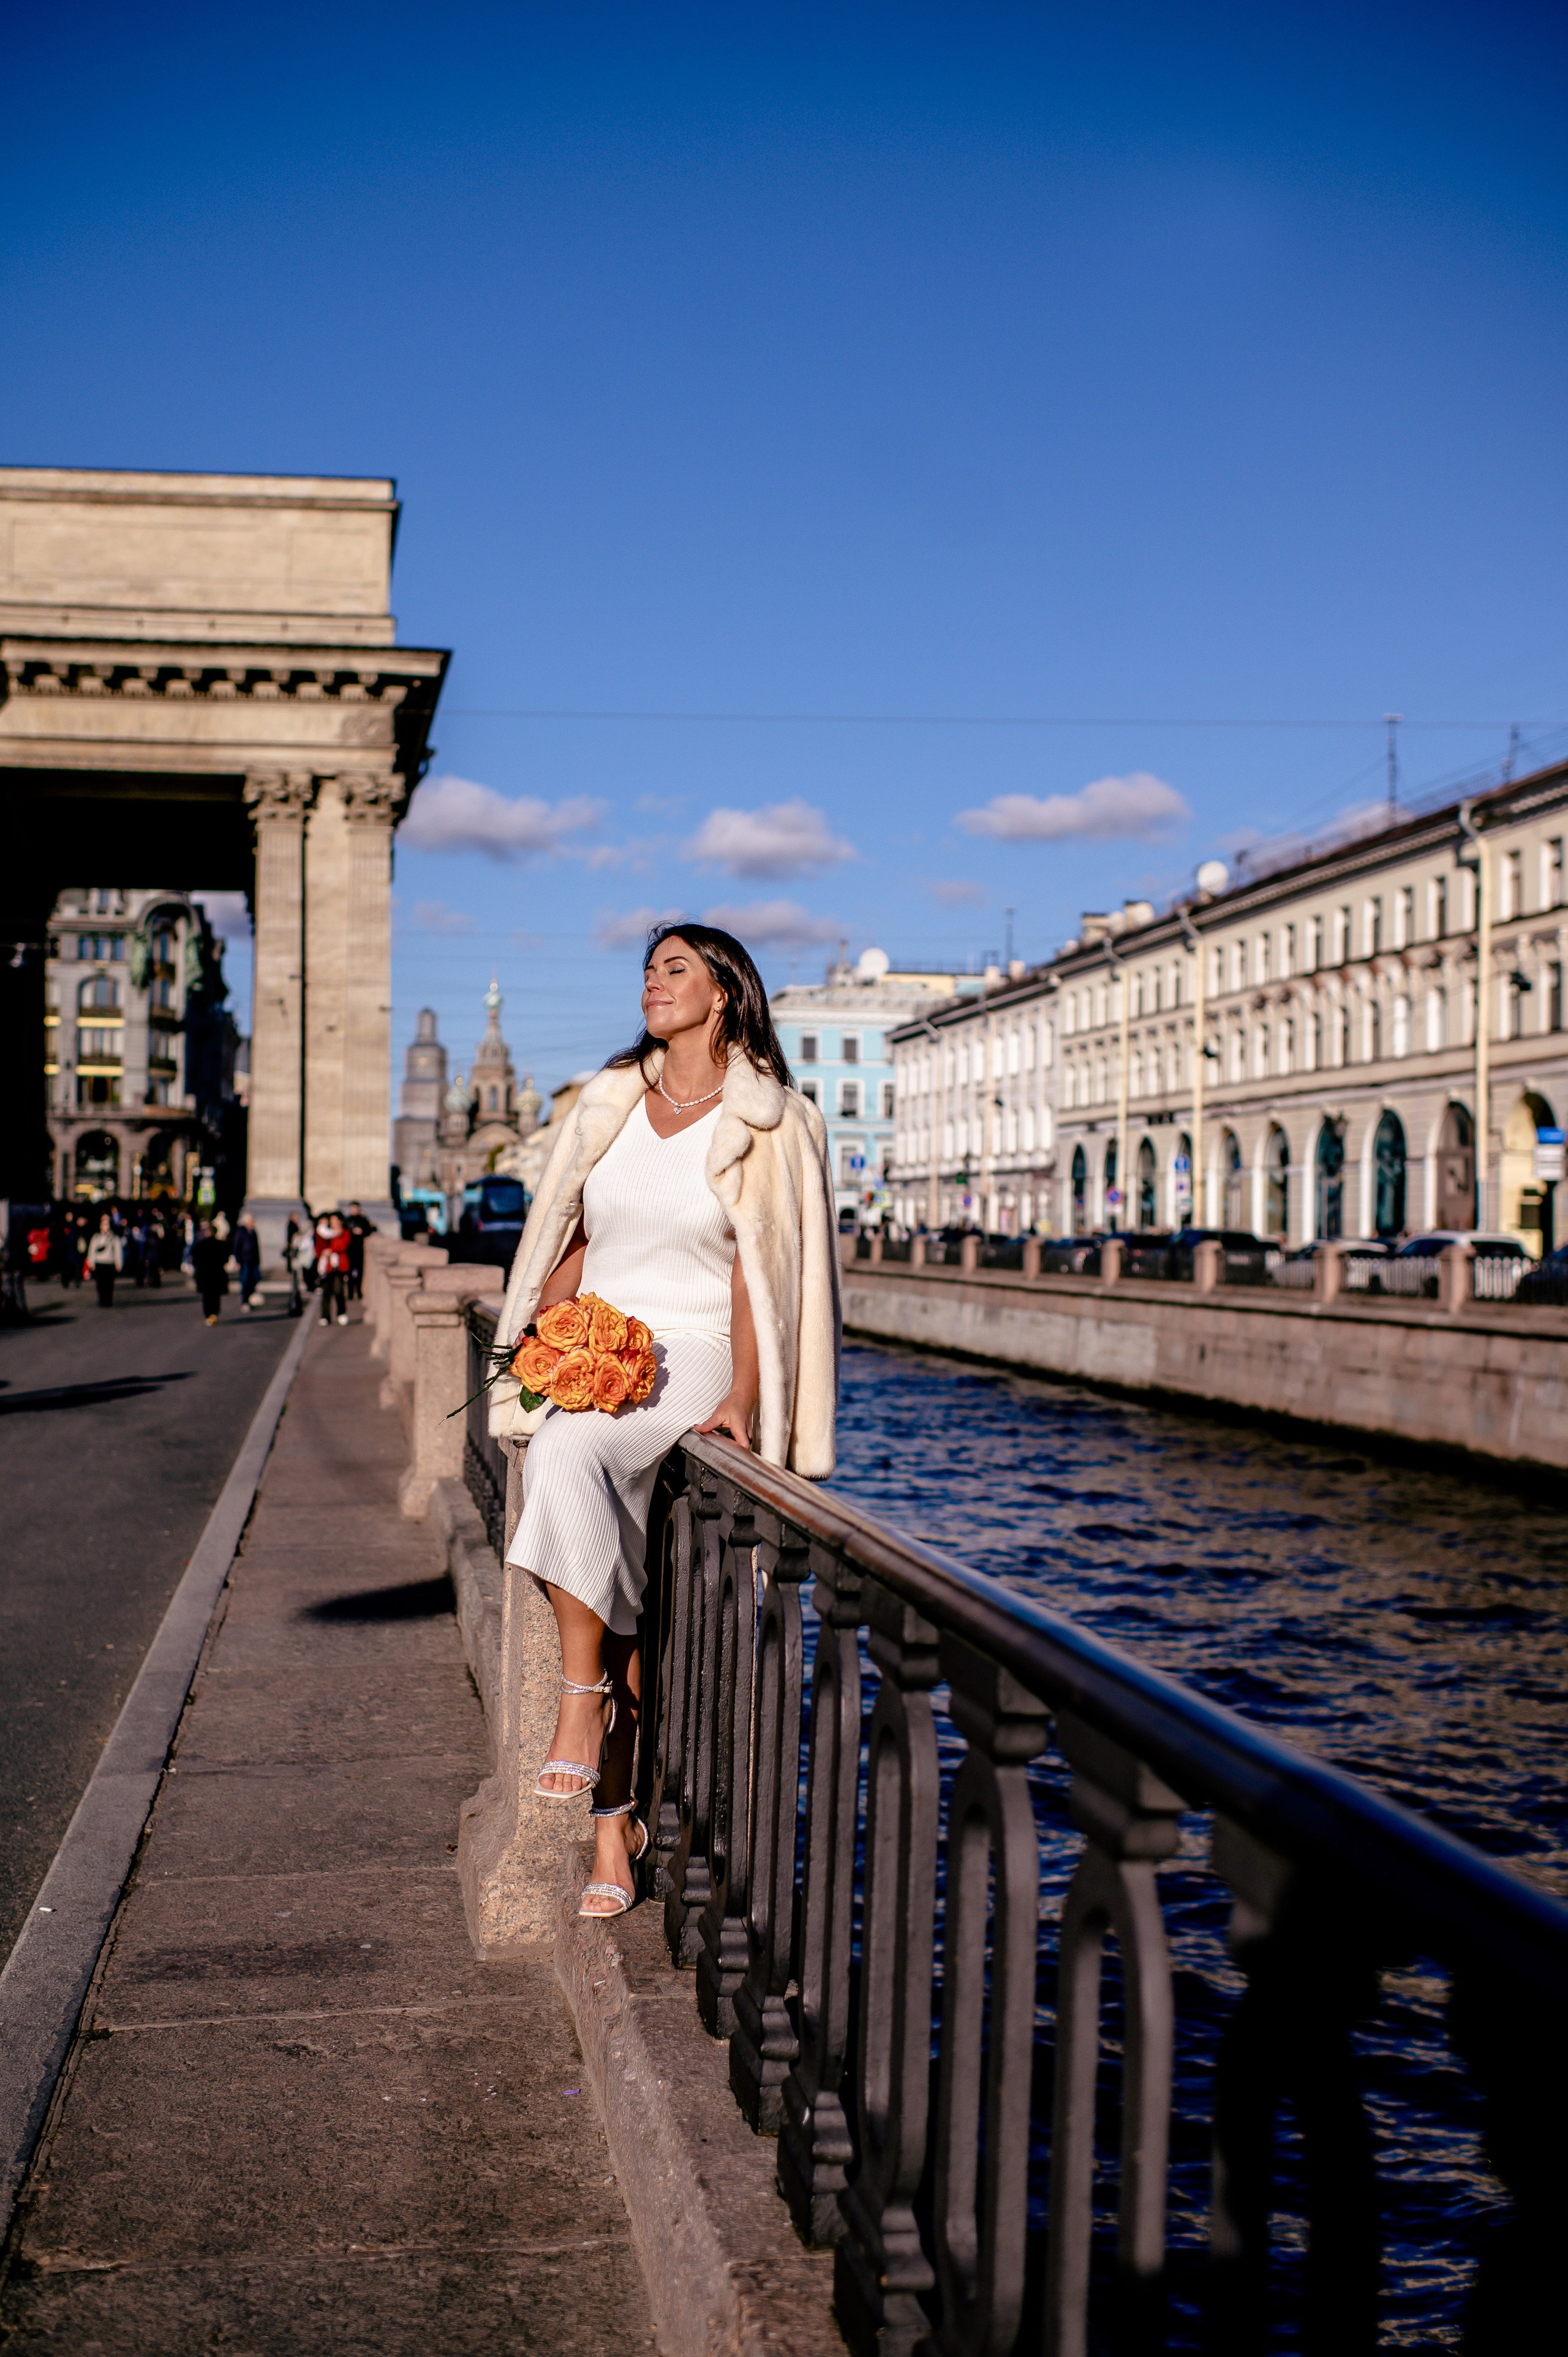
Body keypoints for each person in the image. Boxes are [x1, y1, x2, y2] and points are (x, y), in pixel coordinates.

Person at [490, 924, 839, 1918]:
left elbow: (762, 1274)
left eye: (674, 967)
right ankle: (610, 1803)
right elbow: (579, 1235)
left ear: (723, 991)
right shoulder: (610, 1103)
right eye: (646, 969)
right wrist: (537, 1336)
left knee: (573, 1465)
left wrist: (742, 1397)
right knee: (588, 1501)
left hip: (693, 1351)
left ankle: (584, 1719)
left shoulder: (770, 1119)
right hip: (604, 1334)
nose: (653, 982)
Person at [315, 1210, 350, 1326]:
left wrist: (331, 1250)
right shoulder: (328, 1233)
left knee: (338, 1290)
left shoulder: (344, 1233)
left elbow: (343, 1245)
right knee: (326, 1292)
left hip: (339, 1266)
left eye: (335, 1221)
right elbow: (320, 1245)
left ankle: (341, 1313)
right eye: (332, 1221)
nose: (333, 1223)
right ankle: (325, 1316)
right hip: (327, 1267)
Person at [191, 1221, 228, 1325]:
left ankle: (208, 1315)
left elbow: (195, 1260)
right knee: (216, 1296)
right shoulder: (221, 1245)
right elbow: (225, 1260)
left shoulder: (200, 1245)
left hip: (204, 1275)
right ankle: (214, 1314)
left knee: (207, 1297)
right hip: (217, 1274)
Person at [85, 1212, 123, 1307]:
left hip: (110, 1264)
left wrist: (119, 1264)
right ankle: (102, 1300)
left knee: (109, 1284)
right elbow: (92, 1251)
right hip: (99, 1264)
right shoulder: (96, 1237)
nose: (106, 1226)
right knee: (100, 1284)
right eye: (104, 1224)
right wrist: (91, 1263)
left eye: (107, 1224)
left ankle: (108, 1300)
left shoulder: (114, 1238)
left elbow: (118, 1252)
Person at [343, 1201, 376, 1300]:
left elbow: (369, 1231)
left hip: (360, 1248)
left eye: (355, 1208)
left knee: (360, 1272)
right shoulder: (347, 1220)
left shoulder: (363, 1220)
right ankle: (350, 1293)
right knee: (350, 1272)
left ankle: (359, 1292)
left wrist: (362, 1231)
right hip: (350, 1249)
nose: (354, 1210)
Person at [233, 1211, 262, 1311]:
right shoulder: (241, 1231)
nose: (253, 1223)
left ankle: (250, 1298)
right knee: (245, 1280)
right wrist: (238, 1261)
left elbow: (257, 1247)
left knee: (255, 1278)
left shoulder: (253, 1232)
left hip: (253, 1260)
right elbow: (237, 1247)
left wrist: (258, 1260)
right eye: (252, 1221)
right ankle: (245, 1301)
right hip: (244, 1260)